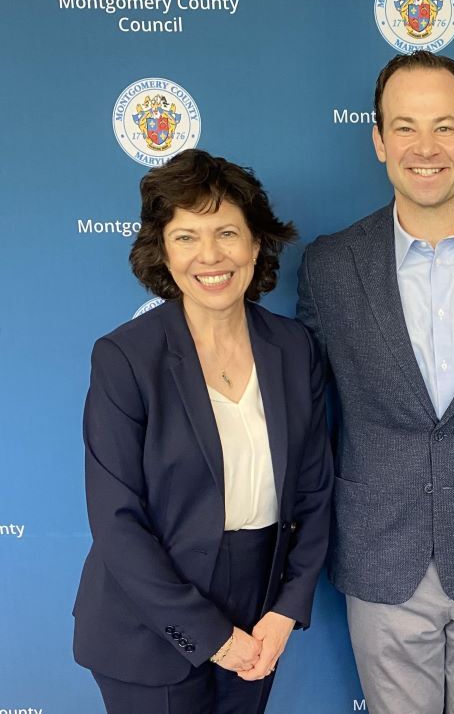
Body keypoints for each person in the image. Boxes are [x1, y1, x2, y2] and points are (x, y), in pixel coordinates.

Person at [297, 51, 454, 714]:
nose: (425, 148)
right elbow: (305, 413)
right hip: (380, 554)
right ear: (379, 140)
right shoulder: (329, 266)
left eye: (444, 127)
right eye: (405, 127)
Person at [73, 149, 333, 713]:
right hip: (147, 626)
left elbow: (315, 491)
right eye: (186, 236)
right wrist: (211, 636)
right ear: (163, 251)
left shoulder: (294, 347)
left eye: (226, 233)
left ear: (256, 243)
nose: (210, 255)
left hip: (260, 610)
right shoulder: (125, 358)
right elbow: (116, 520)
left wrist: (286, 609)